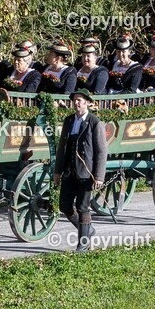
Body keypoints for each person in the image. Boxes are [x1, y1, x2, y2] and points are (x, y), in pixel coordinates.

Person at [53, 89, 107, 252]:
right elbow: (62, 147)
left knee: (83, 207)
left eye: (80, 100)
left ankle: (83, 244)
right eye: (75, 100)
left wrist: (98, 176)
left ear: (88, 103)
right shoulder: (69, 120)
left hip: (86, 172)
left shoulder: (94, 122)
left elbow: (101, 151)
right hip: (70, 170)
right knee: (64, 206)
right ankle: (87, 230)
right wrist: (57, 171)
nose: (76, 103)